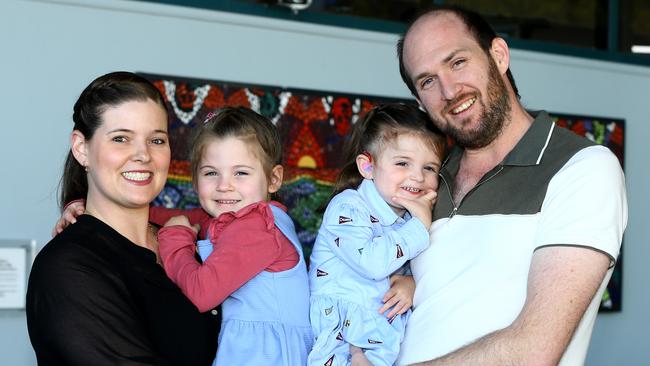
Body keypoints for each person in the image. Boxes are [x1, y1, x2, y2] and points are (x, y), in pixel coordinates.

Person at [395, 6, 627, 366]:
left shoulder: (581, 167)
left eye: (457, 62)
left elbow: (533, 350)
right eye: (427, 81)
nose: (449, 90)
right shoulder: (425, 178)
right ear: (419, 101)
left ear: (498, 55)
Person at [26, 71, 219, 365]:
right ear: (81, 148)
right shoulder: (68, 267)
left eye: (156, 140)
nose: (142, 155)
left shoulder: (188, 245)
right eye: (121, 139)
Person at [150, 106, 313, 366]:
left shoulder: (257, 228)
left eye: (241, 173)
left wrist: (175, 239)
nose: (224, 185)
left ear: (273, 179)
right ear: (195, 180)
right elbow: (157, 214)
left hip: (265, 357)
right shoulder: (232, 217)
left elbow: (200, 294)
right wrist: (91, 209)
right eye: (211, 173)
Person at [308, 103, 447, 366]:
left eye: (429, 168)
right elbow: (372, 263)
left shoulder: (409, 216)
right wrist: (418, 226)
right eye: (403, 163)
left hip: (379, 336)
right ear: (368, 167)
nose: (417, 176)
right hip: (340, 336)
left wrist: (411, 285)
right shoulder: (347, 207)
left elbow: (406, 266)